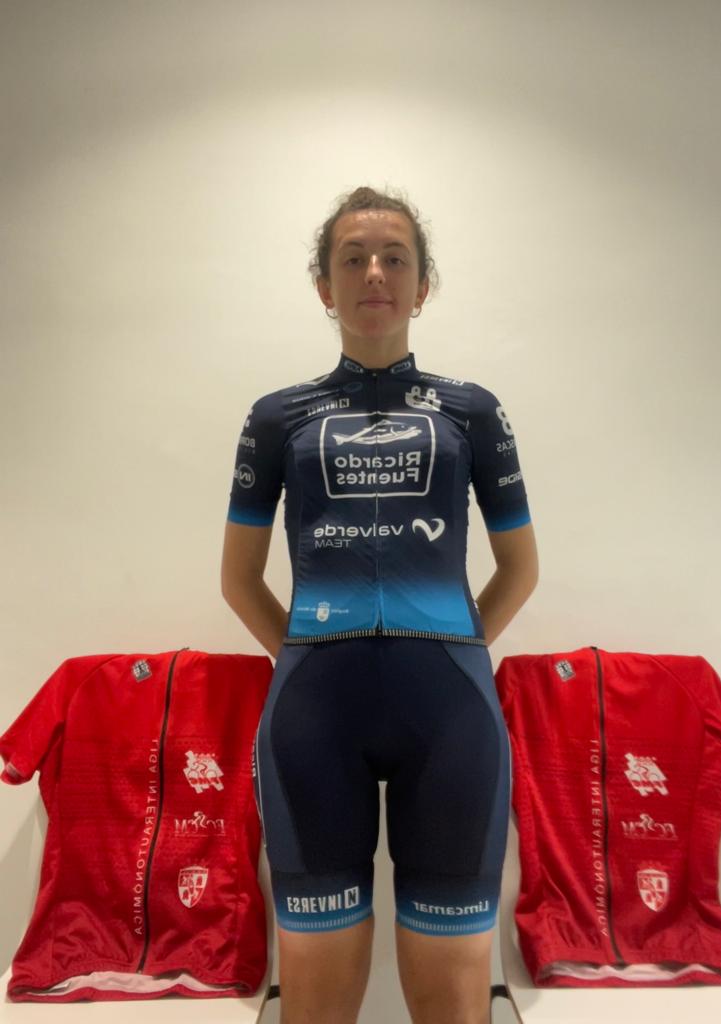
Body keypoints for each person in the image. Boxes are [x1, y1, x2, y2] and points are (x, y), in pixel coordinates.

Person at [221, 186, 538, 1024]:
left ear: (421, 285)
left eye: (395, 257)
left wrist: (454, 643)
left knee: (454, 1001)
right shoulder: (275, 418)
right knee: (316, 1004)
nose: (374, 272)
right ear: (323, 286)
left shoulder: (472, 411)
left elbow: (520, 568)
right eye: (352, 258)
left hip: (452, 715)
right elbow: (238, 579)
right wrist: (308, 652)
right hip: (314, 721)